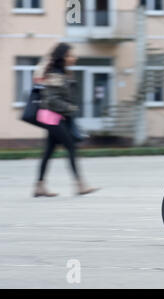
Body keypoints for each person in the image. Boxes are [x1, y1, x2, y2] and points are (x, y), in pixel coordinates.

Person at [33, 43, 99, 197]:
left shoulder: (62, 73)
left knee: (49, 151)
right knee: (70, 145)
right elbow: (51, 100)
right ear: (63, 57)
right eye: (70, 55)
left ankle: (39, 186)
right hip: (52, 117)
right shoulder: (55, 74)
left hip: (57, 117)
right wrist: (70, 108)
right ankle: (80, 185)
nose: (73, 58)